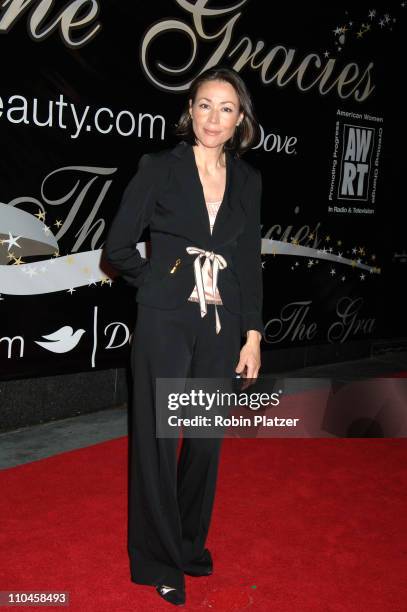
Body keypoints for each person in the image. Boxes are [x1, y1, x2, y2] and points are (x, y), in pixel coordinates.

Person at [103, 66, 263, 606]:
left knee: (203, 444)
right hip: (166, 321)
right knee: (157, 442)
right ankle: (157, 561)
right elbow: (118, 248)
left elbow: (247, 262)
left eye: (225, 108)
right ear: (189, 110)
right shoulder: (158, 168)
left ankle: (191, 546)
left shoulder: (248, 179)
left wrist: (253, 335)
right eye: (203, 105)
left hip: (222, 324)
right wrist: (165, 282)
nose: (213, 118)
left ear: (241, 119)